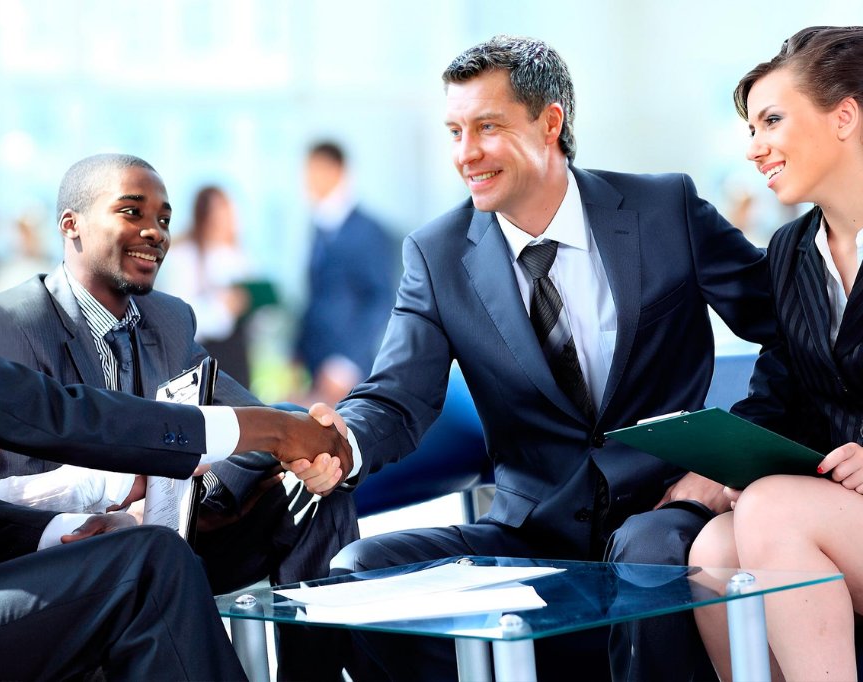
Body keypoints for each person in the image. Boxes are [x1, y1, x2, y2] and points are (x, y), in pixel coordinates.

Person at [296, 35, 778, 681]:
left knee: (647, 554)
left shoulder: (665, 210)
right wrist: (342, 440)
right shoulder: (437, 255)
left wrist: (725, 463)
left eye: (487, 127)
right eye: (455, 132)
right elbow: (396, 396)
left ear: (550, 122)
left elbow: (790, 331)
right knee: (359, 571)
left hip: (663, 512)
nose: (465, 153)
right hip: (530, 535)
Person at [0, 110, 349, 680]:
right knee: (149, 567)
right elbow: (46, 414)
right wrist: (269, 429)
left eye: (164, 218)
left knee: (153, 553)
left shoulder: (166, 318)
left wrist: (67, 531)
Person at [0, 155, 358, 593]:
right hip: (77, 560)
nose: (155, 231)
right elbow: (14, 498)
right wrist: (131, 507)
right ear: (71, 224)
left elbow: (250, 422)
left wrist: (195, 497)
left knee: (314, 485)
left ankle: (319, 641)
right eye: (131, 211)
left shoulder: (169, 318)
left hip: (172, 537)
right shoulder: (13, 321)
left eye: (164, 219)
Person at [689, 25, 863, 682]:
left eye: (771, 121)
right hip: (846, 506)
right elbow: (780, 388)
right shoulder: (790, 251)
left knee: (772, 510)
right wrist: (728, 458)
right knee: (714, 550)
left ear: (844, 116)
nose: (754, 147)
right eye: (750, 128)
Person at [294, 140, 396, 405]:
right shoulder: (319, 226)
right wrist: (296, 353)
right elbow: (316, 297)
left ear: (336, 170)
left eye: (315, 170)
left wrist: (346, 362)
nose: (308, 180)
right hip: (315, 363)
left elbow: (380, 300)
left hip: (346, 370)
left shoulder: (368, 230)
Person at [157, 185, 254, 388]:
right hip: (202, 358)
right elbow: (180, 316)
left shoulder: (238, 257)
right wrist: (222, 309)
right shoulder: (184, 256)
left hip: (236, 357)